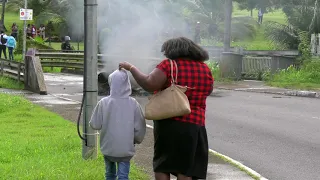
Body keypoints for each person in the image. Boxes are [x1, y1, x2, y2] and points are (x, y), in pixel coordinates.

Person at [119, 37, 214, 180]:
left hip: (169, 123)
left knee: (163, 164)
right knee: (186, 167)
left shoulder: (168, 65)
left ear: (173, 50)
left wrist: (131, 68)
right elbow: (208, 90)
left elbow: (149, 84)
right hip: (195, 125)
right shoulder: (205, 69)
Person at [90, 69, 146, 180]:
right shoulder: (133, 104)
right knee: (123, 176)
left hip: (108, 148)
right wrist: (136, 139)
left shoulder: (103, 103)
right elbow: (140, 127)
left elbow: (94, 124)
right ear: (127, 84)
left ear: (111, 83)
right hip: (126, 149)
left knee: (109, 174)